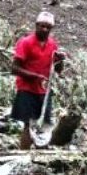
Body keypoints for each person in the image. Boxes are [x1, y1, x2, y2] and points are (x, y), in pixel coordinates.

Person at [10, 11, 65, 150]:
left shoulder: (52, 45)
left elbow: (58, 70)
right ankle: (23, 154)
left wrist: (61, 60)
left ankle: (39, 155)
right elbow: (14, 68)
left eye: (48, 27)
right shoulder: (26, 42)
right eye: (42, 26)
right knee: (28, 125)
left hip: (44, 91)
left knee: (44, 125)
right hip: (26, 89)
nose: (44, 29)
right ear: (36, 25)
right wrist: (34, 76)